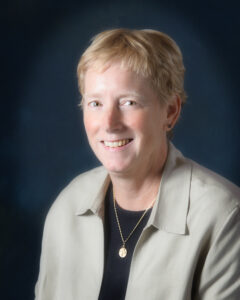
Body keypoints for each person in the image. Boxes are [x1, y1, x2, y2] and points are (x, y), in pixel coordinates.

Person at [34, 29, 240, 300]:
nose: (109, 123)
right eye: (95, 103)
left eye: (128, 102)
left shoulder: (223, 215)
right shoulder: (67, 206)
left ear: (170, 112)